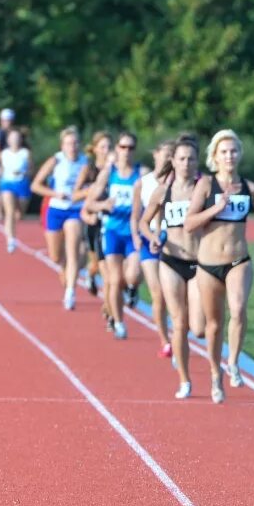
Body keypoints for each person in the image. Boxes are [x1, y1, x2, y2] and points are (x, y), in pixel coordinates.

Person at [185, 129, 254, 403]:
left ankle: (233, 362)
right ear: (215, 156)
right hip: (208, 264)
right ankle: (214, 373)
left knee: (238, 309)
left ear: (239, 154)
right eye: (224, 151)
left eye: (233, 150)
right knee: (212, 325)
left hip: (238, 260)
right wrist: (216, 207)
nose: (229, 156)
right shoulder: (206, 185)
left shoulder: (250, 188)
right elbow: (189, 223)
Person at [144, 135, 209, 395]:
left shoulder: (203, 189)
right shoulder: (163, 191)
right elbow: (143, 221)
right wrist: (152, 238)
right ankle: (185, 380)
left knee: (199, 328)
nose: (186, 163)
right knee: (179, 322)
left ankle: (187, 351)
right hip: (170, 260)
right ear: (173, 161)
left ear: (197, 161)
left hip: (199, 261)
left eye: (191, 158)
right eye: (181, 158)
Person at [83, 131, 144, 340]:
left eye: (130, 148)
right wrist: (103, 204)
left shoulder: (141, 173)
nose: (126, 151)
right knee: (114, 279)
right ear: (116, 149)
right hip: (111, 231)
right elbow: (89, 204)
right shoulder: (108, 173)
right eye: (122, 147)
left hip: (134, 231)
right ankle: (118, 321)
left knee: (133, 274)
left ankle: (133, 289)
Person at [29, 127, 88, 310]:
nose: (73, 147)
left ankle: (70, 291)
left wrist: (83, 193)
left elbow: (92, 186)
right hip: (55, 209)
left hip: (75, 211)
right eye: (69, 143)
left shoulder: (85, 163)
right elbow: (35, 186)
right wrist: (55, 193)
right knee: (55, 257)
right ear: (62, 145)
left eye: (75, 143)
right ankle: (65, 271)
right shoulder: (55, 161)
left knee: (73, 251)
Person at [132, 139, 174, 358]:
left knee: (175, 295)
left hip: (175, 242)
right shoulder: (144, 182)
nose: (167, 158)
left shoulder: (181, 183)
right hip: (151, 241)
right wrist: (142, 237)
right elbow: (138, 216)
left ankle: (178, 334)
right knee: (158, 294)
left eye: (171, 154)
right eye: (164, 153)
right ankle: (165, 340)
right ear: (155, 154)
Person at [79, 131, 113, 308]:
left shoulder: (115, 170)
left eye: (109, 146)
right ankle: (90, 274)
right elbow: (75, 194)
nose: (106, 150)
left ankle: (110, 307)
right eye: (102, 147)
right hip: (92, 220)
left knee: (110, 270)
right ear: (95, 149)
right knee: (96, 265)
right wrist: (91, 191)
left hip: (110, 222)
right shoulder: (89, 169)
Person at [0, 127, 31, 252]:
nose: (15, 140)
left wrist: (24, 172)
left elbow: (31, 169)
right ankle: (10, 239)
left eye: (17, 138)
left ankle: (13, 227)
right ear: (8, 140)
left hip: (22, 183)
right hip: (7, 183)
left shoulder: (25, 153)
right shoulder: (4, 153)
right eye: (12, 138)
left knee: (19, 214)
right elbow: (1, 168)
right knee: (9, 212)